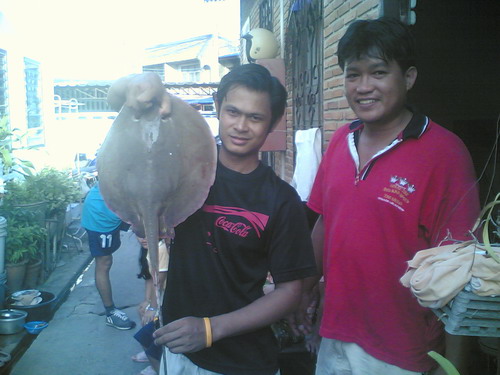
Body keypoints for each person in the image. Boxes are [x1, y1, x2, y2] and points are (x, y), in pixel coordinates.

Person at [295, 18, 480, 375]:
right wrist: (304, 291)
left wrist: (455, 365)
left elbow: (464, 267)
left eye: (378, 72)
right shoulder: (339, 142)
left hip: (402, 352)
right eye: (353, 74)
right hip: (334, 336)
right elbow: (324, 221)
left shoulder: (444, 153)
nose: (364, 87)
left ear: (408, 78)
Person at [107, 64, 317, 375]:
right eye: (233, 112)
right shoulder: (183, 167)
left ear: (273, 123)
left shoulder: (281, 199)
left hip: (242, 361)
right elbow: (126, 105)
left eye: (255, 117)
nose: (241, 126)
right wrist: (140, 83)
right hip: (177, 349)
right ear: (218, 107)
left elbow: (290, 291)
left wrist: (208, 329)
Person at [81, 182, 135, 330]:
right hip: (101, 212)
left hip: (119, 207)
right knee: (104, 261)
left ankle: (155, 302)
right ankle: (110, 313)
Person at [133, 237, 169, 375]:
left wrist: (153, 308)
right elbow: (149, 277)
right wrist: (146, 301)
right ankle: (150, 353)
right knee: (142, 311)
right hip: (159, 296)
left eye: (146, 234)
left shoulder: (161, 249)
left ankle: (156, 362)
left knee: (150, 328)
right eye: (139, 234)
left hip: (166, 297)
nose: (142, 239)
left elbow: (158, 282)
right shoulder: (148, 250)